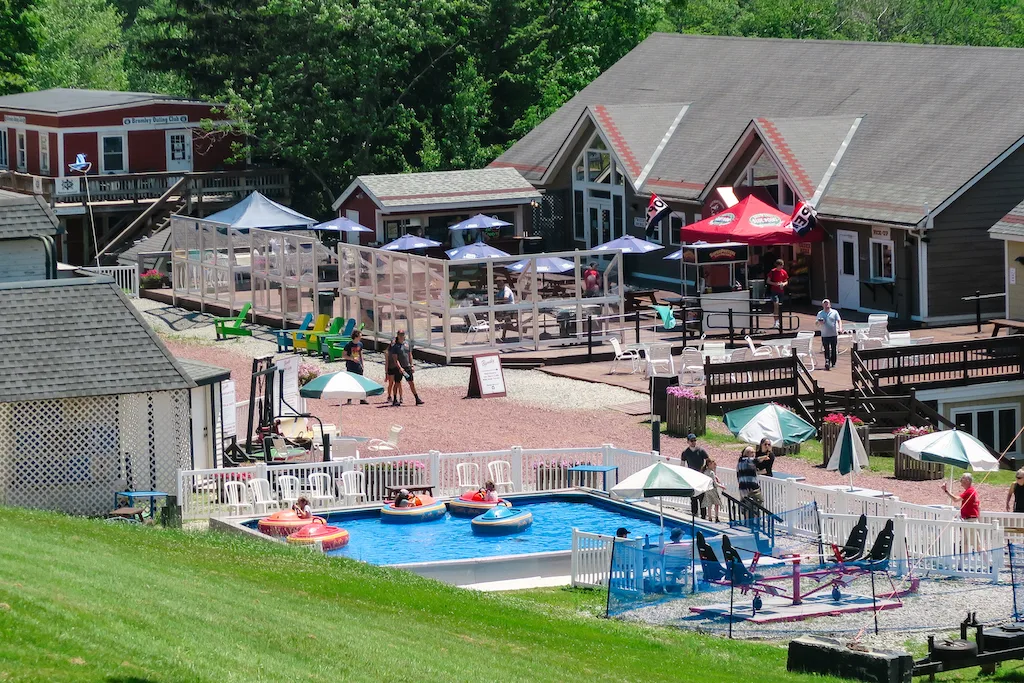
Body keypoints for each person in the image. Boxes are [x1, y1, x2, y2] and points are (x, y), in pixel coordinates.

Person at [389, 330, 424, 406]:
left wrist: (411, 365)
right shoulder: (395, 347)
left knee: (411, 382)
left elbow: (410, 355)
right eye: (400, 335)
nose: (402, 336)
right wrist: (400, 368)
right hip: (399, 368)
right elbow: (395, 359)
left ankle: (417, 398)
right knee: (397, 383)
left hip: (407, 367)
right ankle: (395, 399)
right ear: (398, 336)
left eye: (403, 335)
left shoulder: (407, 344)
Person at [681, 433, 709, 518]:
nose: (694, 442)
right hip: (691, 476)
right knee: (693, 496)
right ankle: (694, 513)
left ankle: (703, 515)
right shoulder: (685, 452)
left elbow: (708, 460)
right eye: (692, 441)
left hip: (700, 475)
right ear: (688, 442)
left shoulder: (701, 451)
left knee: (702, 496)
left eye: (695, 440)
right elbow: (682, 464)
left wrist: (703, 470)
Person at [342, 329, 370, 405]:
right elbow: (343, 355)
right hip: (351, 365)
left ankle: (362, 398)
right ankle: (349, 399)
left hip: (358, 365)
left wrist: (362, 363)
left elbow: (361, 354)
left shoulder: (360, 344)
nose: (361, 337)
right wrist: (351, 359)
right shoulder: (348, 345)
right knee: (351, 382)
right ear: (356, 336)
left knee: (361, 382)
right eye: (360, 336)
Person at [815, 298, 843, 371]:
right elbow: (816, 324)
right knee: (826, 349)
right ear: (822, 305)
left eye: (827, 303)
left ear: (830, 304)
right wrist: (819, 322)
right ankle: (827, 361)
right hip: (824, 334)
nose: (826, 305)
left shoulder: (834, 312)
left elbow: (839, 320)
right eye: (825, 304)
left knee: (833, 348)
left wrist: (840, 328)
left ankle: (833, 362)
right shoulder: (820, 313)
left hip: (833, 333)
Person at [766, 259, 789, 329]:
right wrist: (775, 284)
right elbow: (768, 281)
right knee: (776, 304)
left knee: (780, 306)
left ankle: (779, 322)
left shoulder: (784, 272)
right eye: (780, 266)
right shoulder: (773, 271)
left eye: (782, 266)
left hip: (781, 291)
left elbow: (786, 281)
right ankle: (776, 321)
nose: (781, 267)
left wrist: (783, 284)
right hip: (774, 291)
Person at [701, 458, 723, 523]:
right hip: (713, 490)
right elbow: (715, 484)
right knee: (716, 503)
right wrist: (721, 486)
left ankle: (710, 517)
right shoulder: (711, 473)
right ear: (710, 464)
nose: (714, 466)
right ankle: (716, 517)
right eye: (713, 464)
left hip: (707, 490)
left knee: (709, 504)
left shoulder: (705, 472)